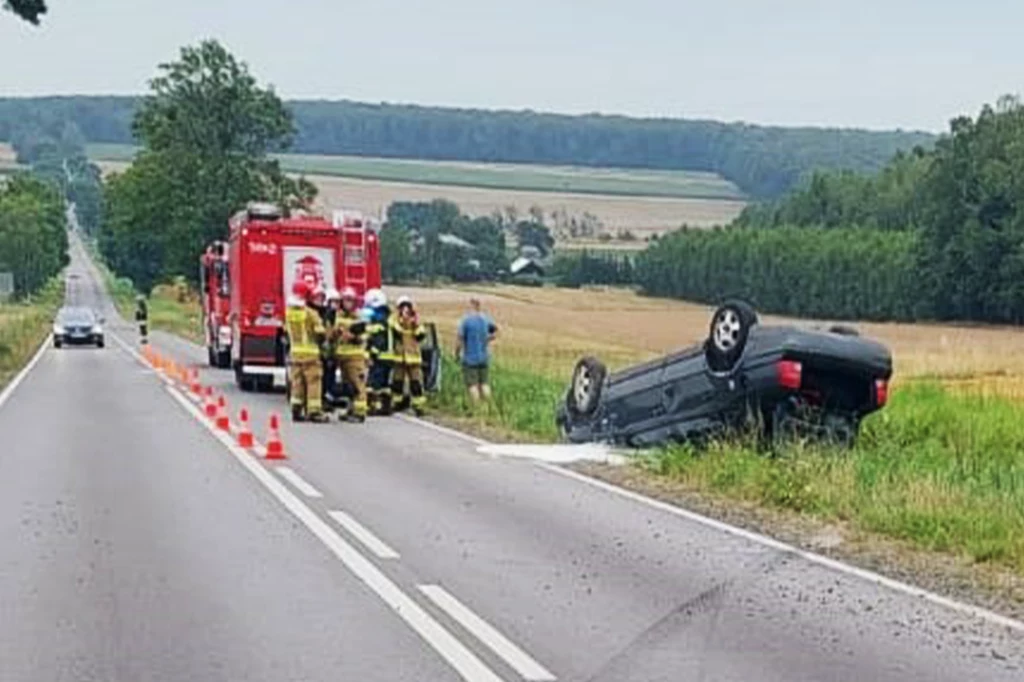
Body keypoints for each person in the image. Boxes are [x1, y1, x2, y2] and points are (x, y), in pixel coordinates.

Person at [284, 280, 327, 422]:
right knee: (313, 382)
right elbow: (320, 333)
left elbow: (285, 331)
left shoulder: (288, 312)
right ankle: (314, 411)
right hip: (311, 354)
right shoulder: (310, 313)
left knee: (297, 381)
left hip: (295, 354)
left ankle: (296, 407)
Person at [331, 286, 369, 422]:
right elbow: (333, 335)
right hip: (342, 357)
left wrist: (353, 337)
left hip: (355, 357)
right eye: (346, 300)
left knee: (357, 384)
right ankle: (351, 409)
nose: (348, 303)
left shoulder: (359, 317)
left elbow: (365, 337)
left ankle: (360, 412)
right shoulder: (337, 316)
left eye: (351, 300)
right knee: (348, 387)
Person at [390, 295, 428, 415]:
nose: (405, 310)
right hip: (399, 357)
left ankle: (419, 406)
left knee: (416, 383)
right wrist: (403, 321)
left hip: (414, 357)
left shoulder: (415, 321)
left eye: (407, 307)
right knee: (397, 382)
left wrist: (414, 324)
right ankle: (397, 403)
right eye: (403, 307)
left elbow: (421, 335)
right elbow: (395, 331)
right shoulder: (394, 319)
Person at [456, 297, 497, 401]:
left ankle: (477, 408)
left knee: (472, 385)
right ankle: (488, 405)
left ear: (472, 305)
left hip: (470, 359)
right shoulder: (485, 319)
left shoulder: (465, 321)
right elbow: (495, 331)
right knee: (484, 384)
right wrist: (487, 339)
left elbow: (460, 339)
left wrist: (457, 353)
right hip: (484, 357)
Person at [364, 288, 398, 416]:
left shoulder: (379, 321)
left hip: (380, 357)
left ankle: (374, 406)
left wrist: (371, 355)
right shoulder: (389, 319)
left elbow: (378, 341)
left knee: (374, 384)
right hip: (390, 357)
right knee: (385, 385)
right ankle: (386, 406)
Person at [322, 288, 342, 406]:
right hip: (327, 351)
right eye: (332, 302)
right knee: (326, 376)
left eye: (337, 302)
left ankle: (329, 398)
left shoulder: (337, 315)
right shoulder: (327, 316)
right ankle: (325, 398)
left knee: (331, 376)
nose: (335, 304)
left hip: (335, 351)